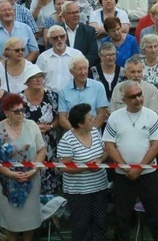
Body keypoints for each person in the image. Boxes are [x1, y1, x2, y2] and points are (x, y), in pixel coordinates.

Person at [103, 80, 158, 241]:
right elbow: (109, 145)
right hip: (123, 176)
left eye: (140, 94)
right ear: (124, 99)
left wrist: (139, 168)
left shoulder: (151, 115)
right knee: (122, 217)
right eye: (133, 96)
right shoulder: (115, 117)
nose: (138, 99)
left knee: (156, 216)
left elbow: (156, 145)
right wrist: (127, 168)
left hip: (148, 174)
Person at [0, 93, 46, 240]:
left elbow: (41, 150)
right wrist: (11, 174)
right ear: (7, 112)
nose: (21, 114)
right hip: (7, 181)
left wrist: (34, 170)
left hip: (31, 178)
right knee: (10, 219)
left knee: (30, 218)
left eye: (22, 110)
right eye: (16, 111)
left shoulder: (32, 125)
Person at [57, 103, 108, 241]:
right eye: (89, 118)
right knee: (81, 224)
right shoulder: (67, 140)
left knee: (100, 221)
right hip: (79, 191)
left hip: (99, 187)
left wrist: (101, 159)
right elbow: (63, 167)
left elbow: (105, 151)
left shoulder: (95, 133)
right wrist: (86, 167)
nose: (93, 119)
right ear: (80, 124)